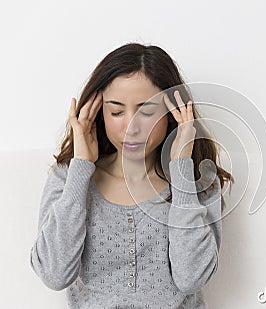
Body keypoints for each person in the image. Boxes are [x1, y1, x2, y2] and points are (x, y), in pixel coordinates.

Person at [29, 42, 234, 309]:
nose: (131, 127)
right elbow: (54, 274)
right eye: (116, 112)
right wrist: (80, 168)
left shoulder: (198, 182)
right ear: (98, 113)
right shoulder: (68, 180)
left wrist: (182, 170)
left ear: (173, 113)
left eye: (147, 111)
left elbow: (191, 278)